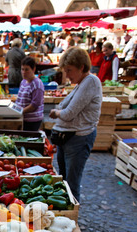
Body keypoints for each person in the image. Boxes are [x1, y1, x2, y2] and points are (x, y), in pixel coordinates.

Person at [49, 47, 102, 202]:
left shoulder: (91, 81)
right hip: (67, 138)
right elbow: (63, 105)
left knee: (71, 183)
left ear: (82, 67)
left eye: (69, 70)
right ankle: (66, 213)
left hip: (78, 139)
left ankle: (73, 219)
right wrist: (59, 110)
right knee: (64, 180)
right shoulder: (81, 83)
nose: (67, 75)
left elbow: (67, 112)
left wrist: (57, 113)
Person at [15, 56, 44, 132]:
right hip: (23, 118)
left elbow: (35, 104)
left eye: (27, 69)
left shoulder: (37, 84)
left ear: (33, 69)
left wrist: (21, 111)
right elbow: (19, 99)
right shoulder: (23, 82)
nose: (24, 72)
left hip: (32, 121)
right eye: (22, 69)